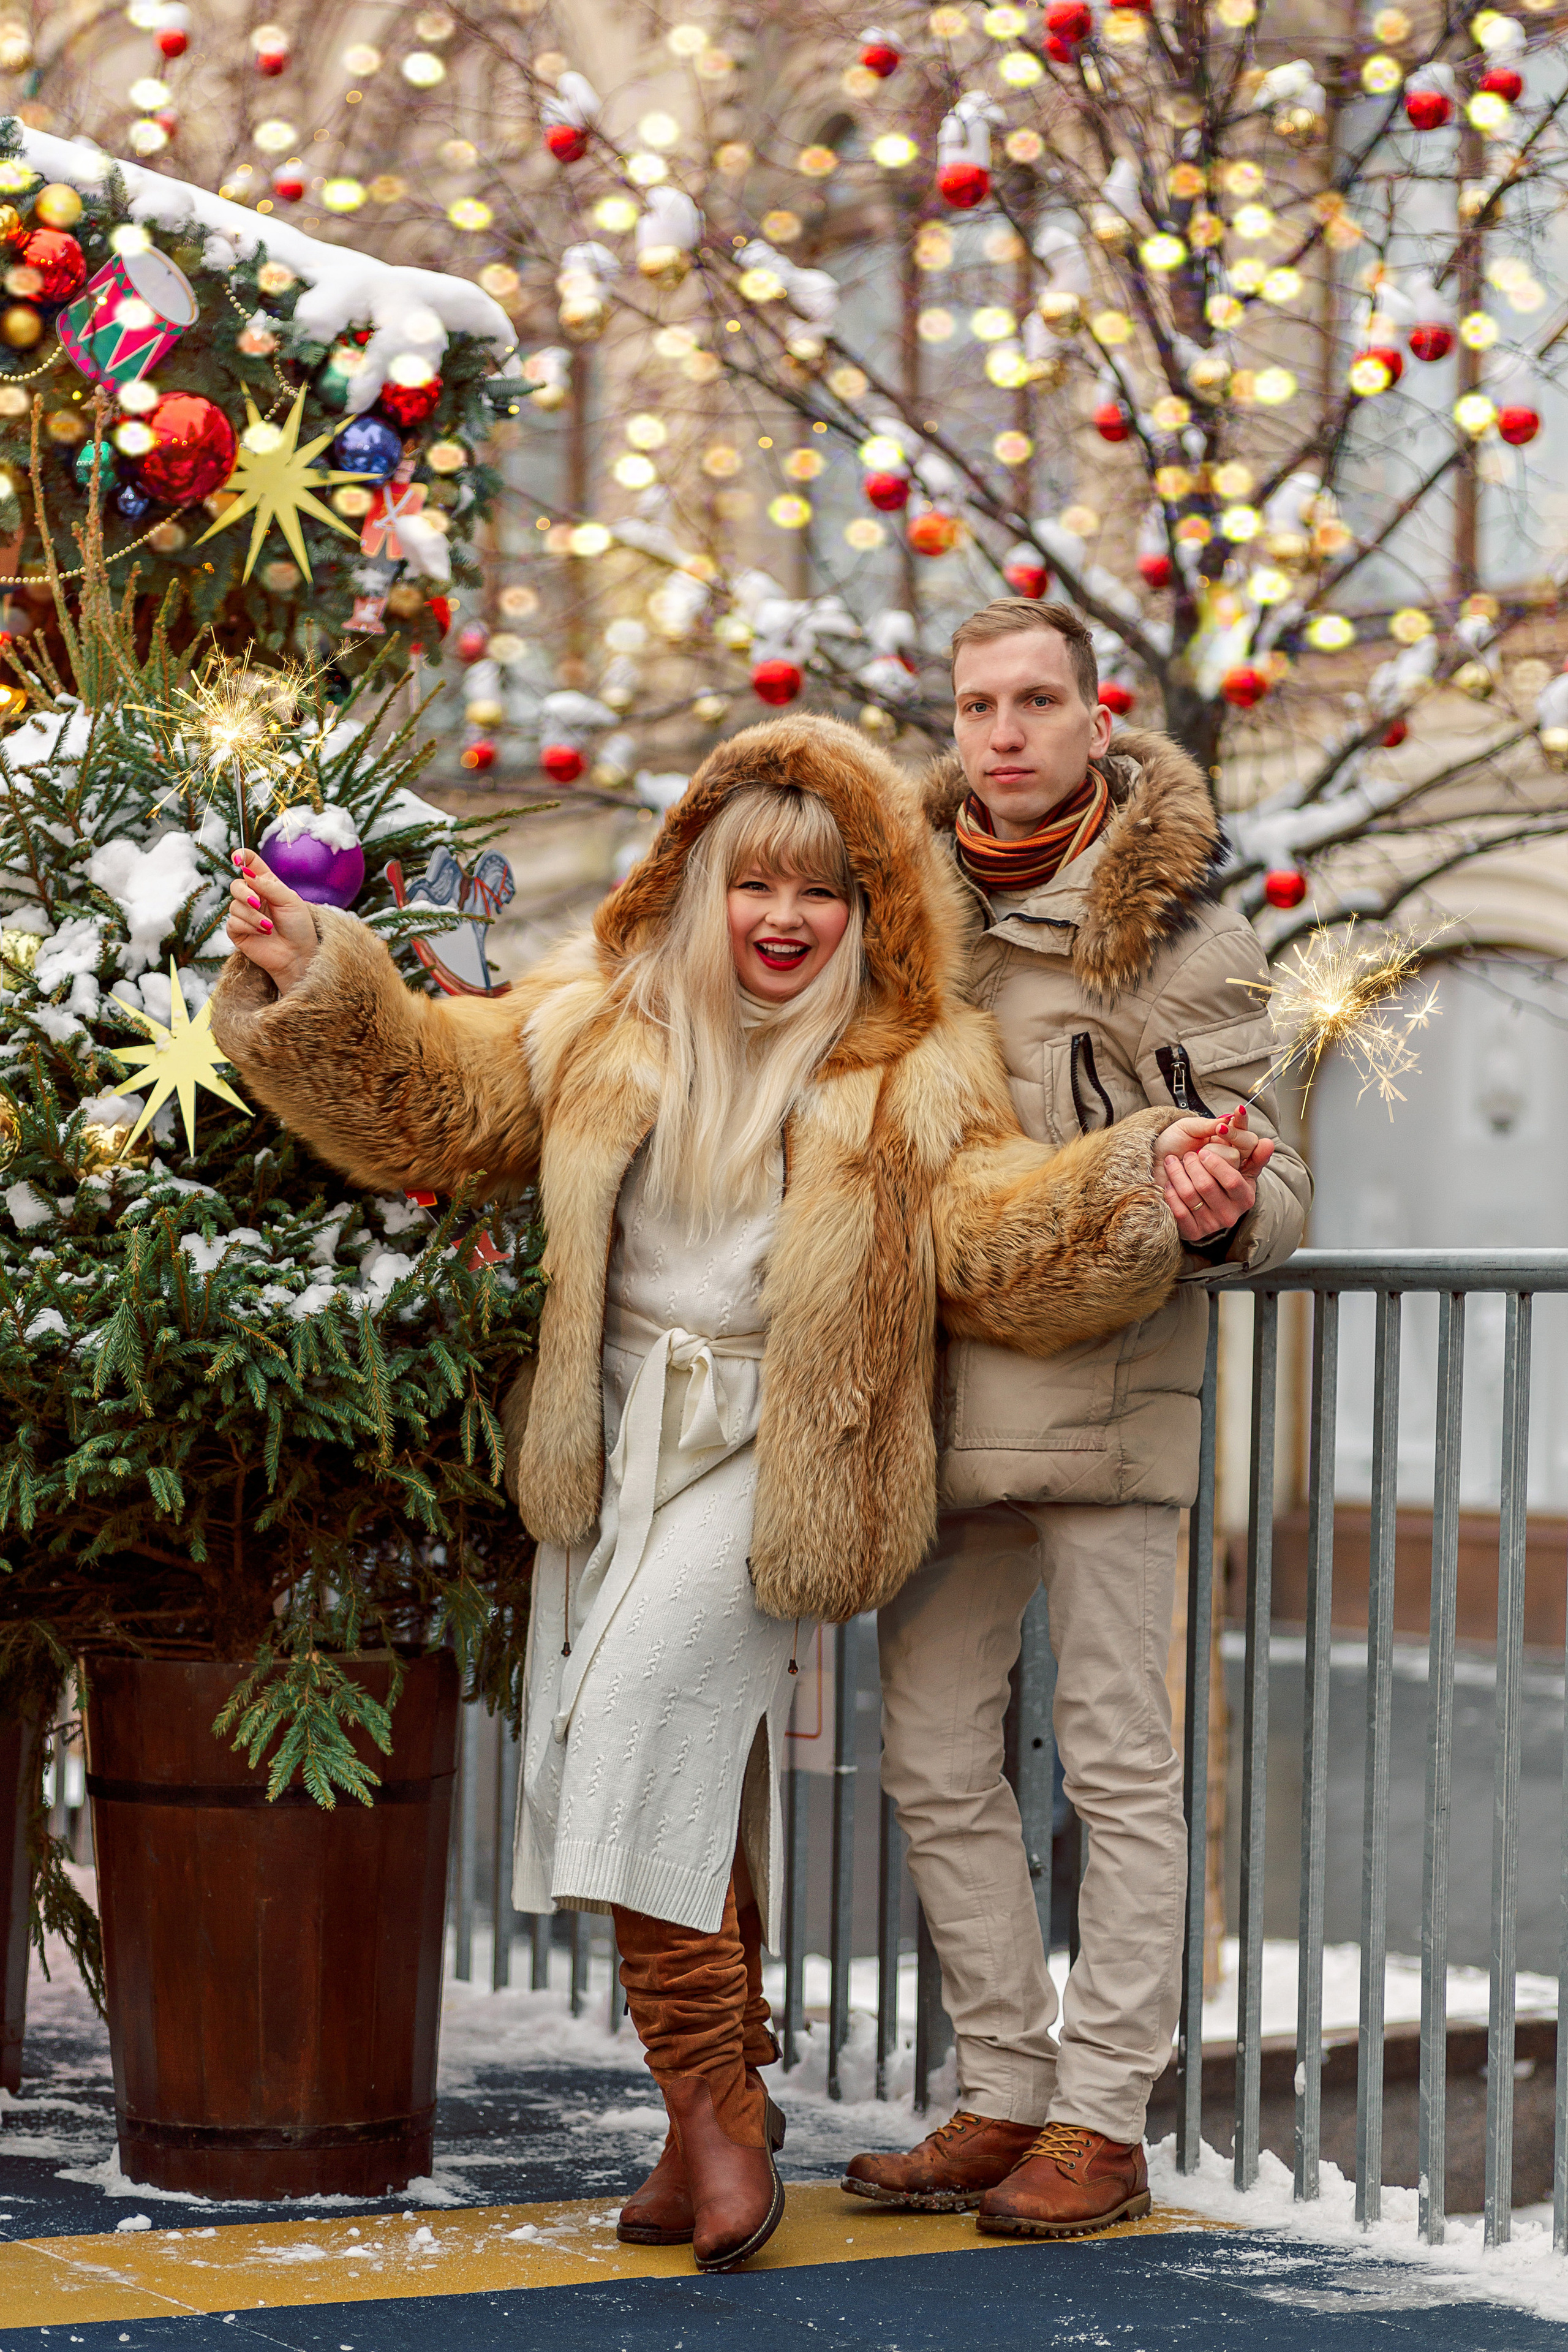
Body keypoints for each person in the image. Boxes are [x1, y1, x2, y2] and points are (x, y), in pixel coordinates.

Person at [213, 714, 1217, 2275]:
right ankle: (698, 2116)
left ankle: (720, 2111)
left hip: (774, 1454)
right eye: (755, 884)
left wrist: (1138, 1181)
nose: (783, 920)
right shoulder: (596, 1022)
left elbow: (1001, 1232)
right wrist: (312, 970)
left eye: (822, 894)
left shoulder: (911, 1070)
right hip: (613, 1438)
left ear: (868, 911)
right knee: (629, 1756)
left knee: (627, 1725)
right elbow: (426, 1099)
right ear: (697, 885)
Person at [846, 601, 1311, 2238]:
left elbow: (1278, 1183)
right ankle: (1003, 2088)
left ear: (1097, 718)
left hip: (1115, 1406)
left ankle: (1103, 2120)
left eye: (1038, 698)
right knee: (926, 1751)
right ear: (954, 723)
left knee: (1120, 1769)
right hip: (943, 1396)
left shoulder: (1187, 937)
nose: (1007, 730)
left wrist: (1211, 1203)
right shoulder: (897, 919)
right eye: (979, 703)